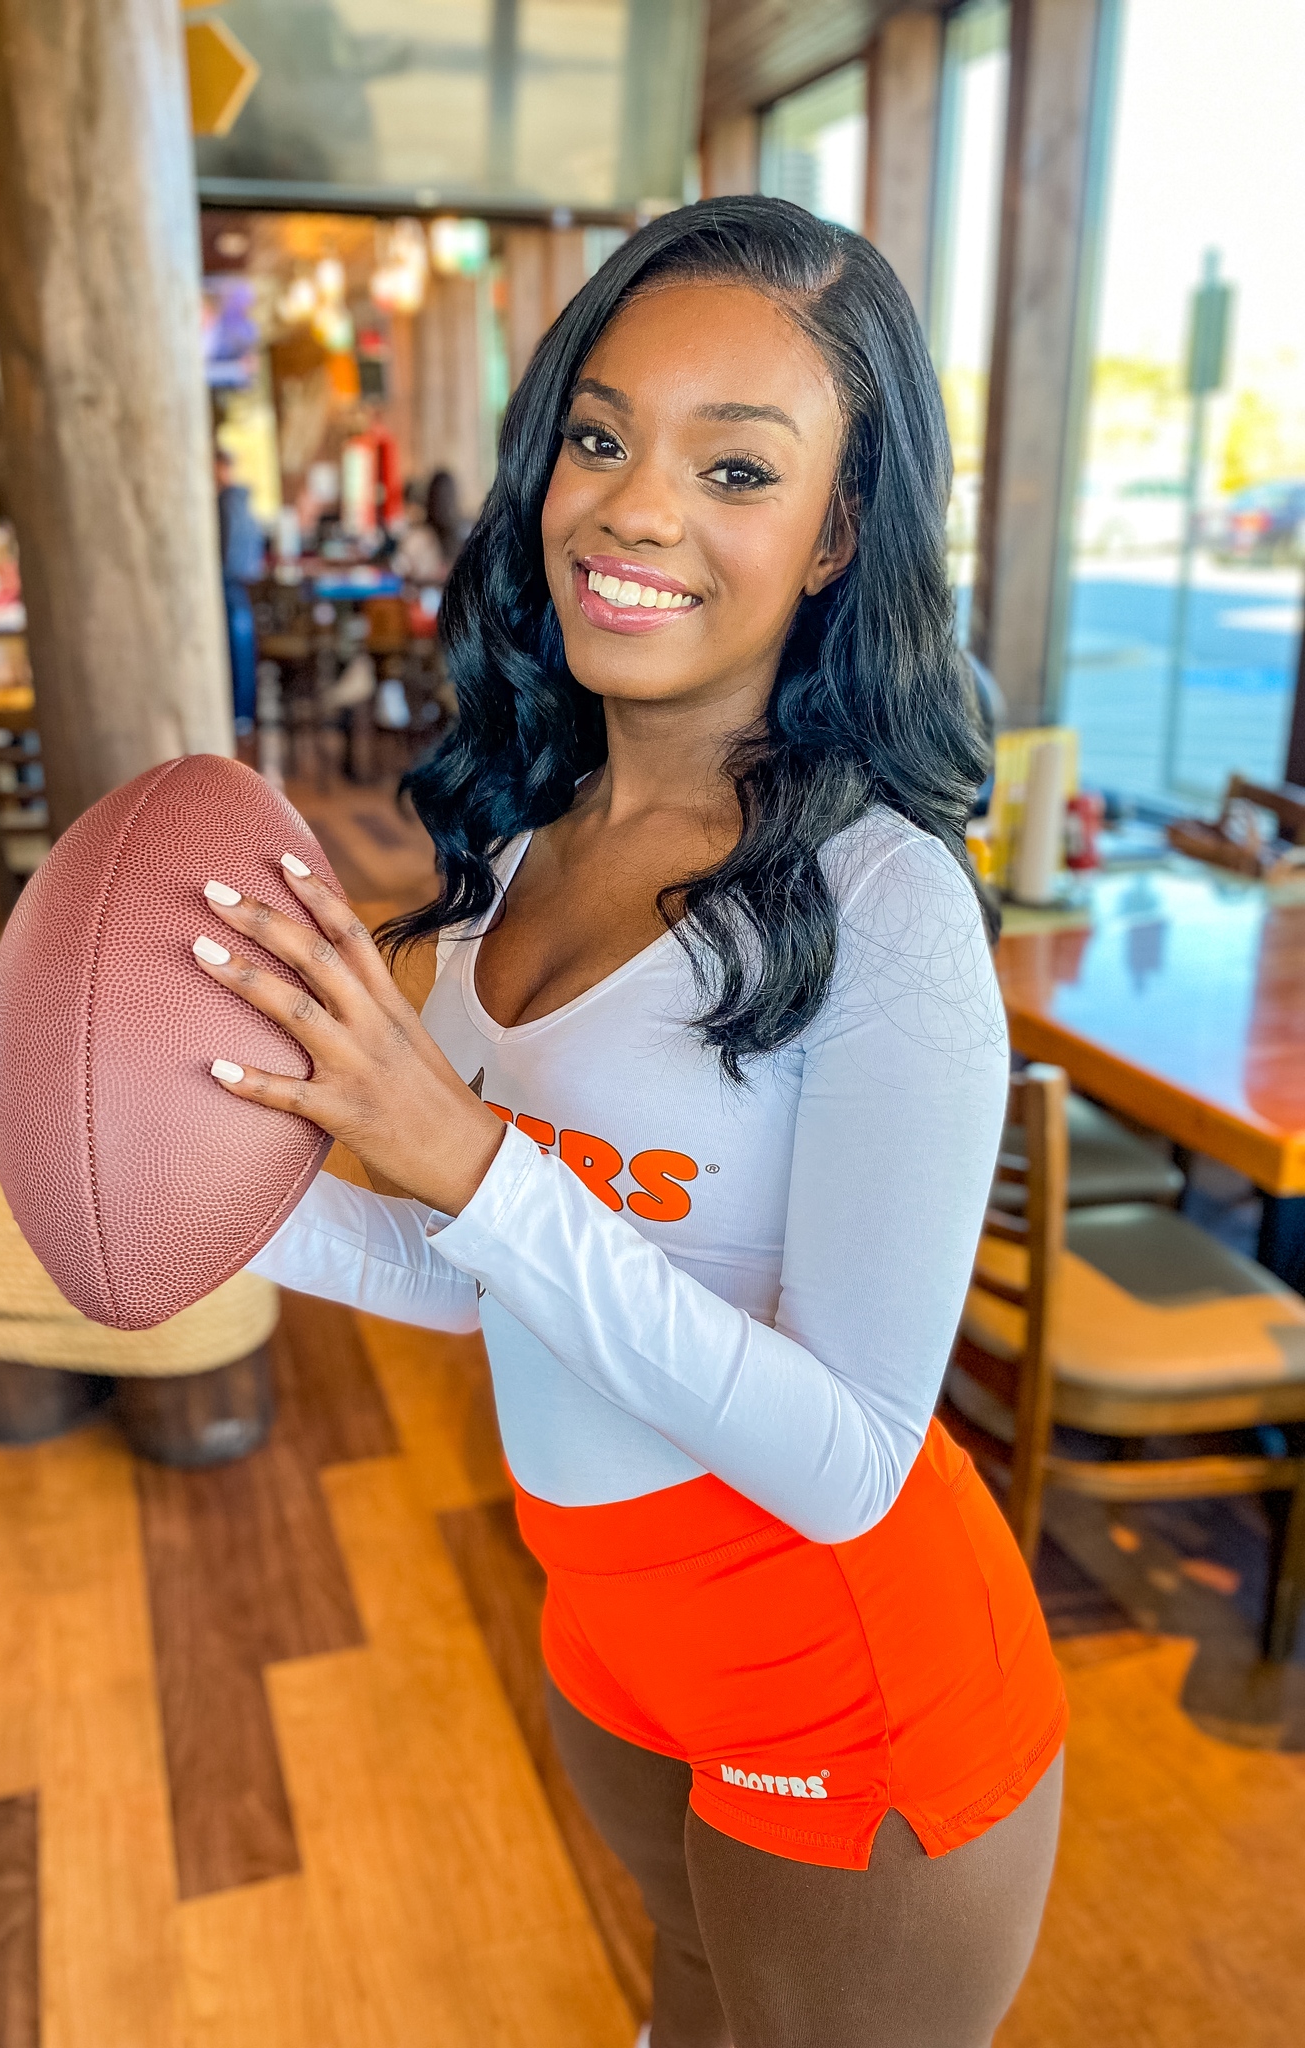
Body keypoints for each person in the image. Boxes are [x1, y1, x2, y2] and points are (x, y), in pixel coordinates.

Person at [189, 197, 1065, 2048]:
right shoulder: (520, 848)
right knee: (680, 2012)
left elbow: (851, 1458)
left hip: (843, 1664)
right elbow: (487, 1278)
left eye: (733, 467)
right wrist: (190, 1186)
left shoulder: (887, 904)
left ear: (838, 532)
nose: (633, 510)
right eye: (599, 438)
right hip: (604, 1620)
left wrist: (469, 1160)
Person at [214, 446, 266, 739]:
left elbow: (226, 552)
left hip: (229, 582)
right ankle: (242, 713)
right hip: (241, 584)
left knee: (237, 649)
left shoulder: (228, 501)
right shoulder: (242, 501)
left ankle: (239, 713)